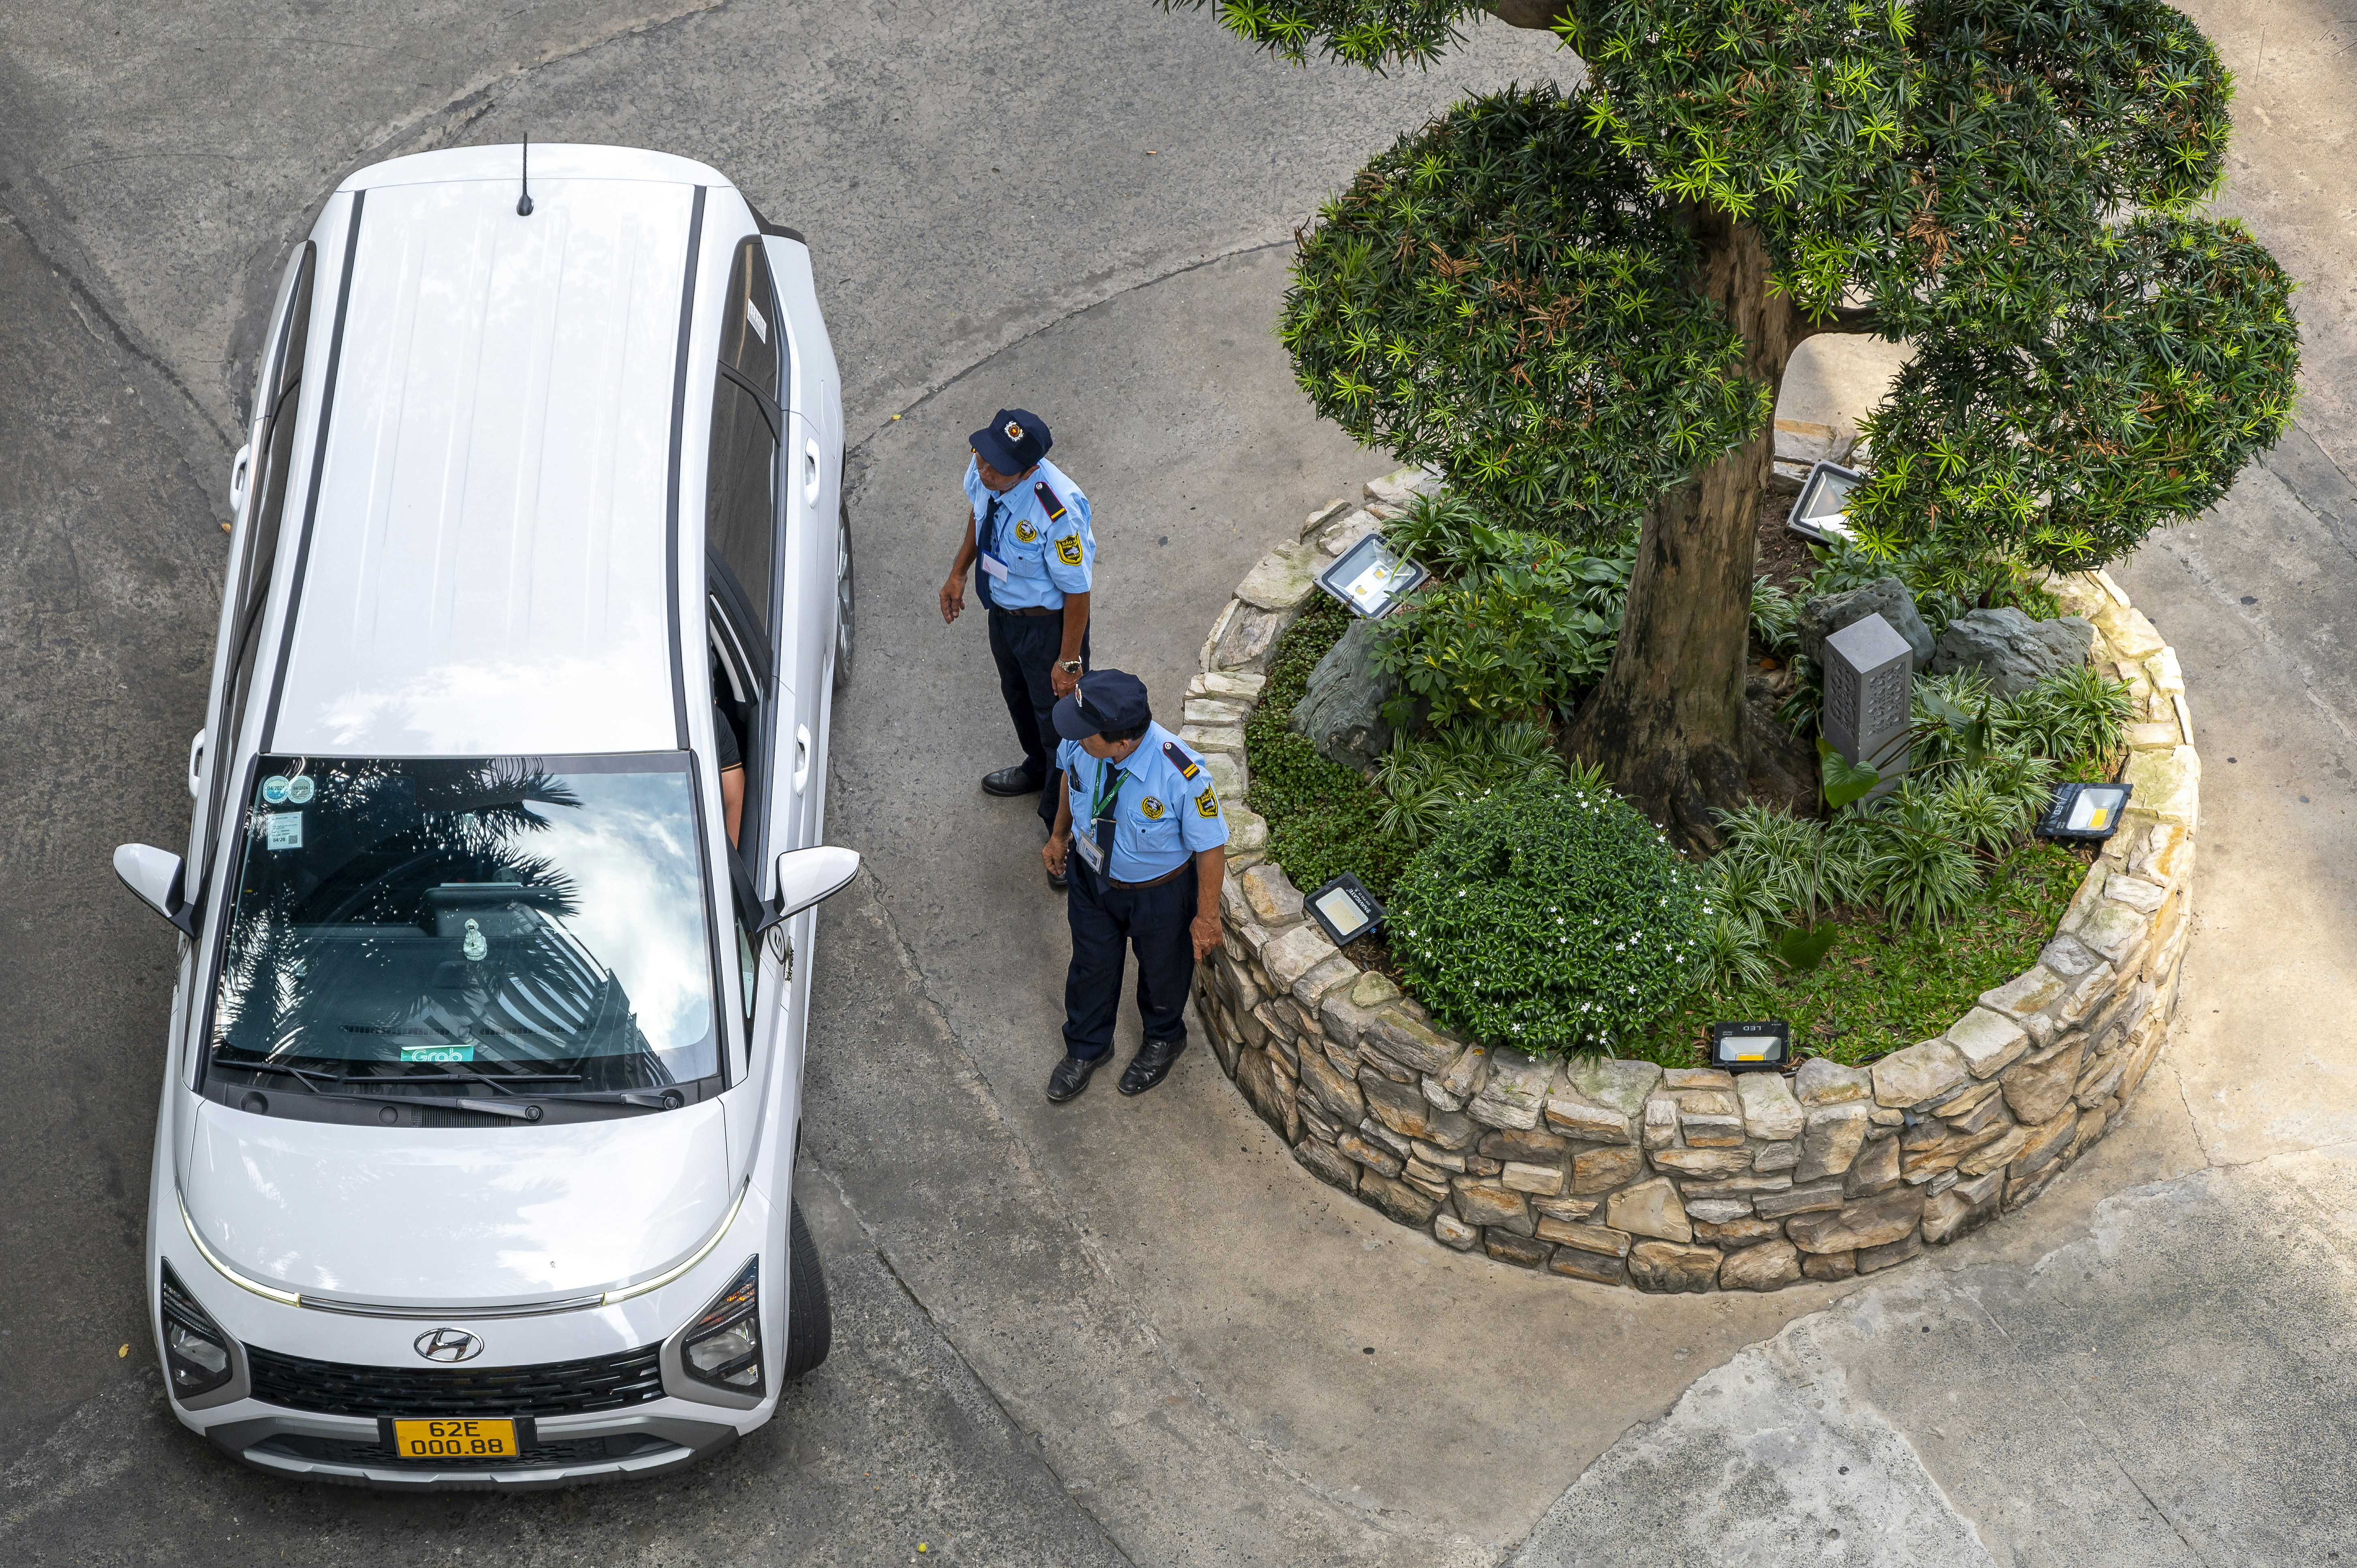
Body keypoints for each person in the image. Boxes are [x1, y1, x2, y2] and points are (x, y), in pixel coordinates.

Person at [1039, 670, 1227, 1103]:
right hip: (1092, 879)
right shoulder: (1083, 738)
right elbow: (1071, 776)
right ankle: (1088, 1047)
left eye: (1087, 735)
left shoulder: (1183, 774)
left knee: (1164, 972)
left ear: (1123, 742)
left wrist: (1207, 916)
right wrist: (1058, 834)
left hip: (1159, 895)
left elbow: (1211, 845)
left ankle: (1164, 1037)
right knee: (1090, 964)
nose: (1075, 736)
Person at [937, 408, 1094, 878]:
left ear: (1028, 470)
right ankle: (1036, 770)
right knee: (1019, 699)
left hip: (1048, 628)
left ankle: (1061, 833)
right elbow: (977, 513)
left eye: (998, 467)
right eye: (984, 459)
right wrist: (959, 572)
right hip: (1003, 614)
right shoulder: (987, 466)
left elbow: (1078, 590)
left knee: (1062, 725)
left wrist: (1069, 661)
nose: (984, 471)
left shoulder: (1057, 510)